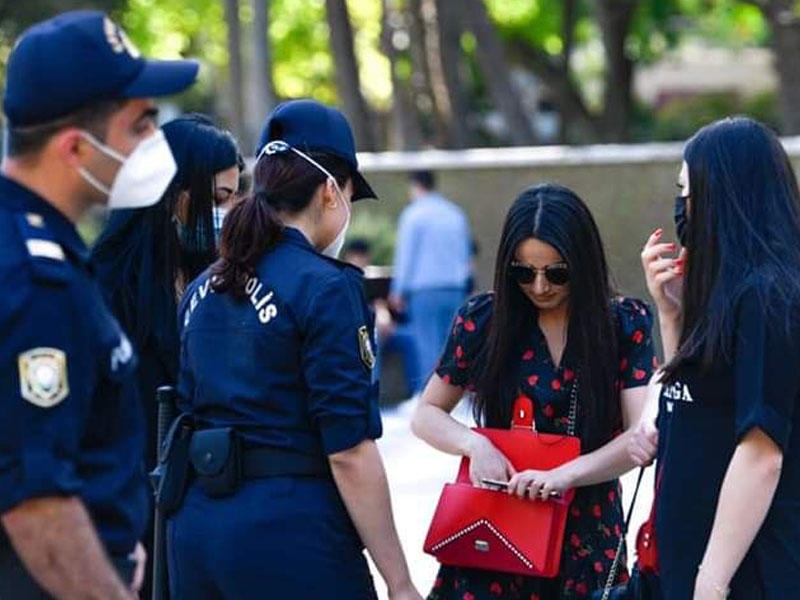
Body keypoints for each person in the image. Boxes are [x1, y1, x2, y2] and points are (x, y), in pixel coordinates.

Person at [168, 99, 422, 600]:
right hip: (289, 535)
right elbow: (349, 450)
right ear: (331, 190)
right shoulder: (325, 289)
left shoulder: (203, 286)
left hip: (195, 532)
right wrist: (400, 580)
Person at [0, 10, 197, 600]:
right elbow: (36, 502)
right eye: (140, 126)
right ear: (75, 149)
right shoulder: (33, 277)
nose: (156, 145)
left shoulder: (36, 244)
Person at [412, 183, 657, 599]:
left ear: (583, 263)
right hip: (498, 530)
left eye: (556, 273)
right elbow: (426, 414)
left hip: (588, 535)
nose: (540, 286)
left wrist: (566, 475)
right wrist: (475, 446)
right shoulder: (485, 320)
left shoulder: (623, 324)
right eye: (524, 272)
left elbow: (640, 437)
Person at [630, 116, 800, 599]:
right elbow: (694, 408)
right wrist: (671, 313)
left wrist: (711, 581)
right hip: (689, 564)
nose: (682, 206)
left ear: (725, 195)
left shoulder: (768, 296)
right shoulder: (728, 294)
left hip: (747, 574)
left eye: (689, 191)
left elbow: (762, 452)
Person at [91, 113, 241, 599]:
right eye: (219, 197)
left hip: (197, 503)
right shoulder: (107, 285)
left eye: (237, 196)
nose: (232, 210)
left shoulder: (217, 279)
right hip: (127, 504)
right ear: (173, 191)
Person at [389, 170, 472, 389]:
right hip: (455, 288)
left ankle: (426, 395)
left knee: (426, 344)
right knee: (452, 346)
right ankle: (453, 395)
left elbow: (406, 255)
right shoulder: (455, 214)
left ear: (415, 186)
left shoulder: (413, 214)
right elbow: (465, 254)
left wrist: (398, 290)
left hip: (424, 290)